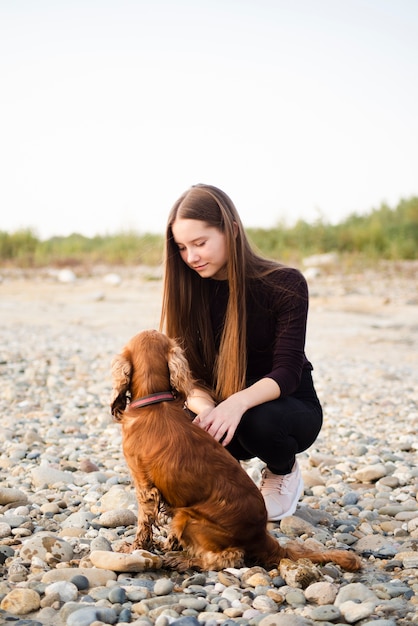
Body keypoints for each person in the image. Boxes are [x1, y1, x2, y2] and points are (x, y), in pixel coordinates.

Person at [159, 183, 323, 521]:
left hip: (285, 410)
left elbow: (288, 371)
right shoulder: (189, 291)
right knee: (169, 419)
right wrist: (205, 410)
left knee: (256, 420)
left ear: (231, 230)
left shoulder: (285, 284)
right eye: (182, 247)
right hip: (220, 404)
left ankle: (282, 471)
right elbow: (186, 377)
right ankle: (219, 483)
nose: (191, 257)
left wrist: (236, 404)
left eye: (200, 243)